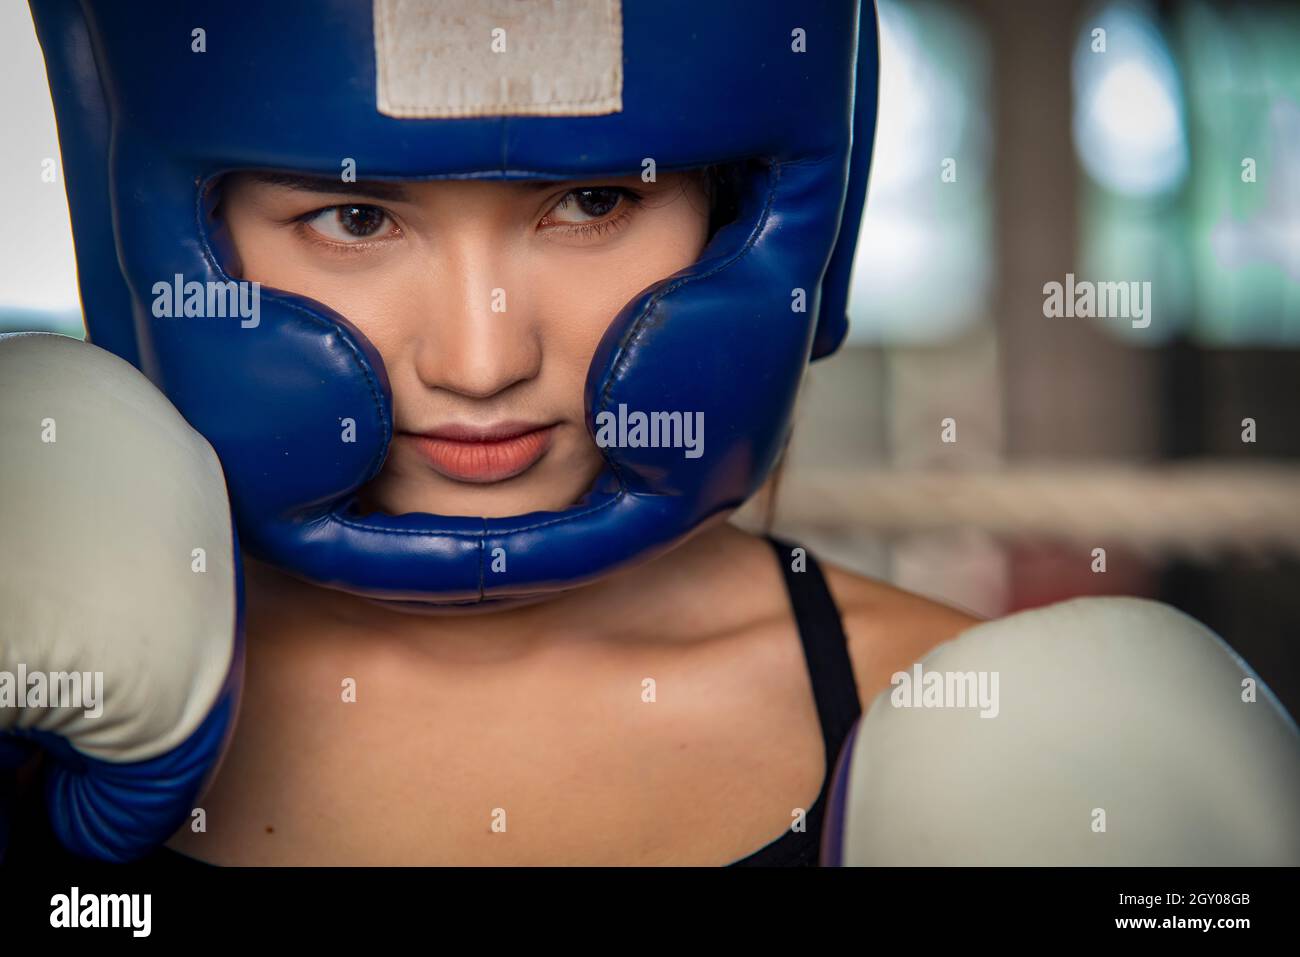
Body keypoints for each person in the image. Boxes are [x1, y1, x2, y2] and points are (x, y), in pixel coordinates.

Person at [5, 0, 1297, 869]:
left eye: (590, 201)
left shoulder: (978, 725)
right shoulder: (40, 690)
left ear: (769, 211)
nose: (481, 357)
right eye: (354, 221)